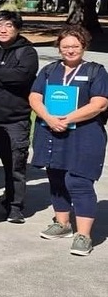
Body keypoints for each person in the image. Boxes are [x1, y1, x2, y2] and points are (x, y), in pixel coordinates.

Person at [30, 26, 108, 256]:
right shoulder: (49, 70)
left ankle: (83, 235)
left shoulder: (96, 71)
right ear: (59, 47)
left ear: (84, 46)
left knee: (79, 182)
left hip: (84, 135)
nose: (70, 50)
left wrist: (67, 119)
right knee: (56, 178)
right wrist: (48, 118)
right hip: (52, 132)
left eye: (75, 46)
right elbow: (34, 97)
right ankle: (62, 223)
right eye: (65, 46)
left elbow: (100, 104)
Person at [0, 11, 38, 223]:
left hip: (15, 120)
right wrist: (3, 75)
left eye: (9, 26)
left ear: (17, 29)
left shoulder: (27, 52)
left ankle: (14, 206)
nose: (3, 30)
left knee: (15, 166)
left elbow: (22, 77)